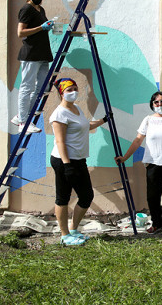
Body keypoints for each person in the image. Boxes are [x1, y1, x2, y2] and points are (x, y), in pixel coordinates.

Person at [115, 91, 162, 235]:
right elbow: (137, 141)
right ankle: (156, 223)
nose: (159, 104)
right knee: (153, 196)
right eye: (156, 102)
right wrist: (125, 157)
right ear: (152, 104)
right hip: (153, 163)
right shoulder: (148, 120)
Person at [50, 78, 109, 245]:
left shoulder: (76, 108)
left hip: (79, 159)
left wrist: (103, 120)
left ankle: (74, 230)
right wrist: (67, 165)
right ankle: (64, 235)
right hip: (64, 161)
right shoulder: (59, 114)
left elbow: (86, 125)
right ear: (61, 93)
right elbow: (60, 141)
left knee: (86, 196)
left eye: (75, 88)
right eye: (69, 90)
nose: (73, 92)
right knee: (63, 197)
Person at [11, 0, 54, 134]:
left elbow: (40, 30)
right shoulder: (26, 9)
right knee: (27, 87)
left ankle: (21, 116)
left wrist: (47, 27)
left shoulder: (40, 9)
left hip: (42, 53)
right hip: (30, 54)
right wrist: (40, 28)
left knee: (43, 87)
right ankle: (24, 121)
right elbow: (20, 32)